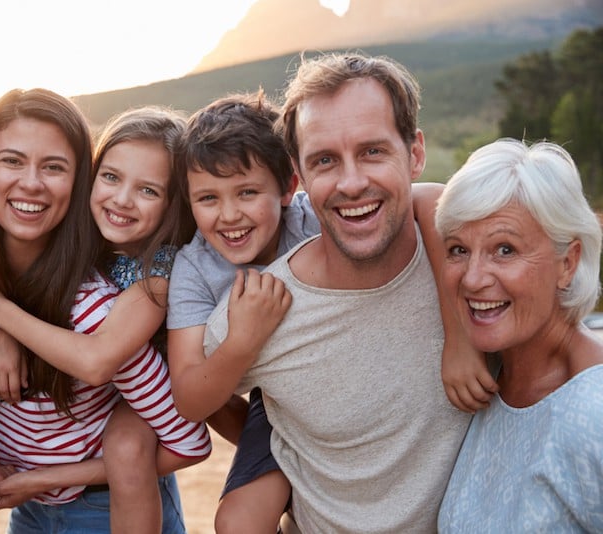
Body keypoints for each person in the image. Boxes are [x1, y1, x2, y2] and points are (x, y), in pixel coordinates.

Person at [167, 89, 469, 532]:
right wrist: (244, 340)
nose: (229, 215)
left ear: (290, 186)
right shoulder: (193, 270)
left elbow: (429, 198)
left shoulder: (317, 214)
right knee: (238, 522)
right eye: (208, 199)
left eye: (247, 192)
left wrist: (459, 338)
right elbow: (194, 398)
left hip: (329, 374)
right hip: (258, 394)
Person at [0, 91, 210, 534]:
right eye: (12, 161)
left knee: (130, 440)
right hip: (33, 511)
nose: (124, 199)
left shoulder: (107, 305)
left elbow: (183, 437)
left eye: (52, 166)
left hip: (103, 510)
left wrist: (1, 316)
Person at [436, 139, 603, 532]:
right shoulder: (492, 380)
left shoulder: (593, 413)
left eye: (505, 250)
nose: (474, 278)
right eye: (458, 250)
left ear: (568, 263)